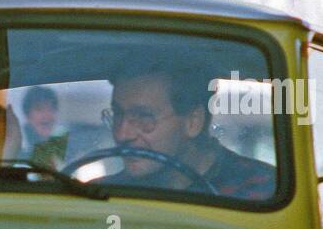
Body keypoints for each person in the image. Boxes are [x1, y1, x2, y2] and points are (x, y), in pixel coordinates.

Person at [102, 62, 276, 200]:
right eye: (118, 114)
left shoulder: (260, 192)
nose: (121, 135)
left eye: (144, 117)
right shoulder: (104, 194)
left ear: (193, 121)